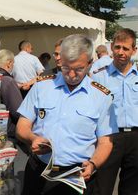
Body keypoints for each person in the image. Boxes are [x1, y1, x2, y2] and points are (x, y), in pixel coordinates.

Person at [16, 34, 116, 195]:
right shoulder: (41, 86)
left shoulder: (102, 96)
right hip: (39, 171)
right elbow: (22, 126)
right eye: (66, 68)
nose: (71, 74)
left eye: (78, 69)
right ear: (60, 60)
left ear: (90, 63)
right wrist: (32, 138)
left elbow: (106, 142)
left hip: (77, 175)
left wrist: (93, 164)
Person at [92, 28, 138, 195]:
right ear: (111, 47)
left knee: (132, 189)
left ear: (134, 50)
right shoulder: (98, 77)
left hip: (135, 138)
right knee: (102, 187)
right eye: (117, 47)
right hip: (109, 138)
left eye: (126, 48)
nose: (121, 52)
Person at [0, 49, 29, 154]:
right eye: (13, 63)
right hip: (7, 133)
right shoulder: (8, 80)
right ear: (9, 63)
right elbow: (17, 111)